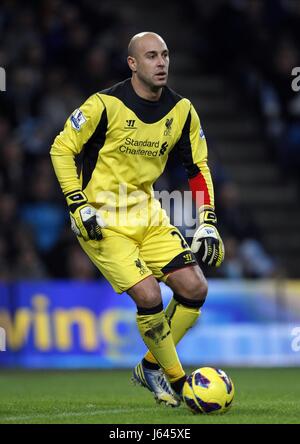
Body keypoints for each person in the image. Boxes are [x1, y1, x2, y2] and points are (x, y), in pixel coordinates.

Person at [50, 32, 224, 407]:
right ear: (133, 64)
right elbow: (62, 148)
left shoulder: (182, 111)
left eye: (164, 54)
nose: (161, 62)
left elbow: (197, 167)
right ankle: (179, 382)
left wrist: (207, 218)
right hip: (102, 220)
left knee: (195, 289)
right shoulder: (104, 106)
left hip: (148, 214)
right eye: (150, 56)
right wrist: (76, 202)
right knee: (148, 294)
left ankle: (150, 365)